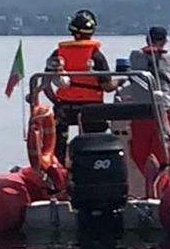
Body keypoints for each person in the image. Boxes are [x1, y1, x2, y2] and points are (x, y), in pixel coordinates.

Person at [43, 9, 120, 162]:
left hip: (64, 107)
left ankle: (59, 169)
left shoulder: (57, 53)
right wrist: (120, 81)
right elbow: (107, 86)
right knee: (95, 142)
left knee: (58, 143)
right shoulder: (96, 55)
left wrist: (56, 101)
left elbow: (45, 84)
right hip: (92, 107)